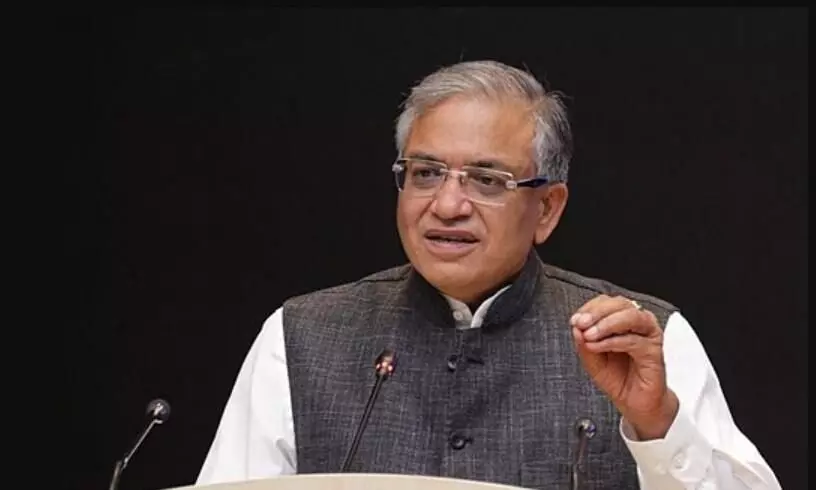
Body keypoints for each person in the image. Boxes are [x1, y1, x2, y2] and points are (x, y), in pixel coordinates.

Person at [194, 60, 781, 489]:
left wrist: (657, 425)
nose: (447, 205)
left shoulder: (643, 341)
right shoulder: (300, 337)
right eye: (426, 173)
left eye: (486, 180)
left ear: (547, 209)